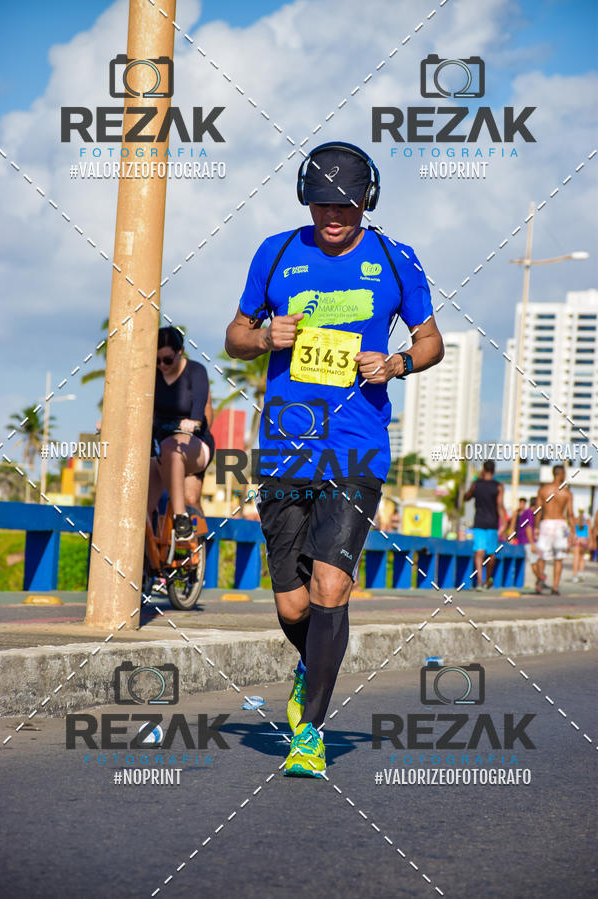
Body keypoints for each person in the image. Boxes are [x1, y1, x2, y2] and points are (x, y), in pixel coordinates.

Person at [225, 141, 443, 777]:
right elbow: (235, 335)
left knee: (331, 585)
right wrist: (264, 336)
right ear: (306, 200)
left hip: (356, 447)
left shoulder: (396, 260)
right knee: (294, 606)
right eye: (322, 203)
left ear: (365, 202)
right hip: (286, 449)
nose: (333, 215)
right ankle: (309, 665)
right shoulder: (277, 253)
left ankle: (310, 732)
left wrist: (396, 362)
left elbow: (430, 340)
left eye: (345, 204)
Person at [148, 327, 214, 539]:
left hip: (192, 441)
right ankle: (149, 561)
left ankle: (187, 528)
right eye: (157, 360)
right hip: (158, 442)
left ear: (180, 351)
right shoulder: (153, 374)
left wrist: (193, 421)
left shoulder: (195, 371)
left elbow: (200, 401)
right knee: (144, 505)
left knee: (190, 497)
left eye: (167, 359)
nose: (162, 366)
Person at [463, 460, 507, 591]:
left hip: (479, 522)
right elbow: (500, 505)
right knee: (491, 554)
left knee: (479, 552)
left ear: (483, 469)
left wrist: (476, 482)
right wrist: (504, 523)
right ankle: (488, 579)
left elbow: (466, 497)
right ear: (494, 471)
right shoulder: (498, 486)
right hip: (492, 523)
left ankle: (480, 581)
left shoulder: (476, 485)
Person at [535, 464, 575, 595]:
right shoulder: (566, 493)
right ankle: (555, 587)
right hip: (560, 524)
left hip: (546, 523)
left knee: (542, 556)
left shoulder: (543, 489)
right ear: (562, 474)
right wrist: (573, 532)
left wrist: (536, 527)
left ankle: (541, 576)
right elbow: (570, 514)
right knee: (559, 558)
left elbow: (538, 510)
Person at [572, 509, 590, 582]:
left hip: (577, 540)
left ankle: (575, 575)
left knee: (576, 559)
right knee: (582, 558)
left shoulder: (575, 519)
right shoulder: (587, 520)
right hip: (584, 540)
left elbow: (573, 531)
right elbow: (589, 531)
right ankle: (581, 574)